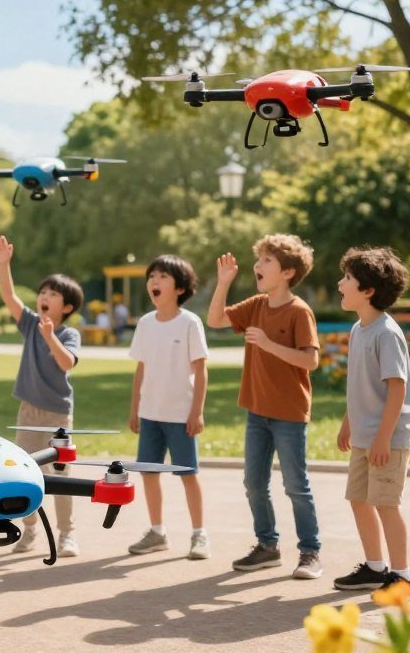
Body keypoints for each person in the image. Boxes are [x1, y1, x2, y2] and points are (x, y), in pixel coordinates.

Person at [207, 234, 323, 580]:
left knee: (295, 485)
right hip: (257, 411)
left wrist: (269, 345)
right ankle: (267, 547)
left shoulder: (300, 311)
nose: (258, 266)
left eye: (266, 261)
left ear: (287, 272)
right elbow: (215, 320)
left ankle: (310, 552)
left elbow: (310, 360)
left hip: (289, 413)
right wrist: (223, 283)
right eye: (258, 260)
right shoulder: (256, 305)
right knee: (254, 483)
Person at [333, 247, 410, 595]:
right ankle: (374, 566)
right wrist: (347, 422)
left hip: (388, 439)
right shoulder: (358, 329)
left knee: (386, 504)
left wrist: (383, 438)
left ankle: (402, 576)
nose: (340, 283)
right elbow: (358, 384)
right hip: (365, 436)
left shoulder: (386, 333)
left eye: (347, 279)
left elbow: (396, 391)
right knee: (358, 499)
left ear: (367, 291)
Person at [0, 235, 84, 558]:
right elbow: (8, 294)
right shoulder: (31, 324)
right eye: (43, 291)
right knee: (25, 474)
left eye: (53, 294)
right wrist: (4, 264)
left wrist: (50, 338)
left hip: (57, 416)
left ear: (67, 307)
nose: (45, 296)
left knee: (60, 476)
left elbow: (66, 363)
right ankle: (30, 528)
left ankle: (67, 533)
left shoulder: (68, 334)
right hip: (28, 412)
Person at [126, 255, 210, 560]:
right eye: (152, 276)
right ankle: (157, 532)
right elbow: (141, 369)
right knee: (149, 473)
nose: (154, 282)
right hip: (150, 415)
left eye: (162, 276)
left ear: (180, 287)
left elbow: (201, 370)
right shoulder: (146, 324)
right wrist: (134, 408)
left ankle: (200, 535)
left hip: (180, 416)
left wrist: (196, 411)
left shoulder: (190, 323)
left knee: (188, 474)